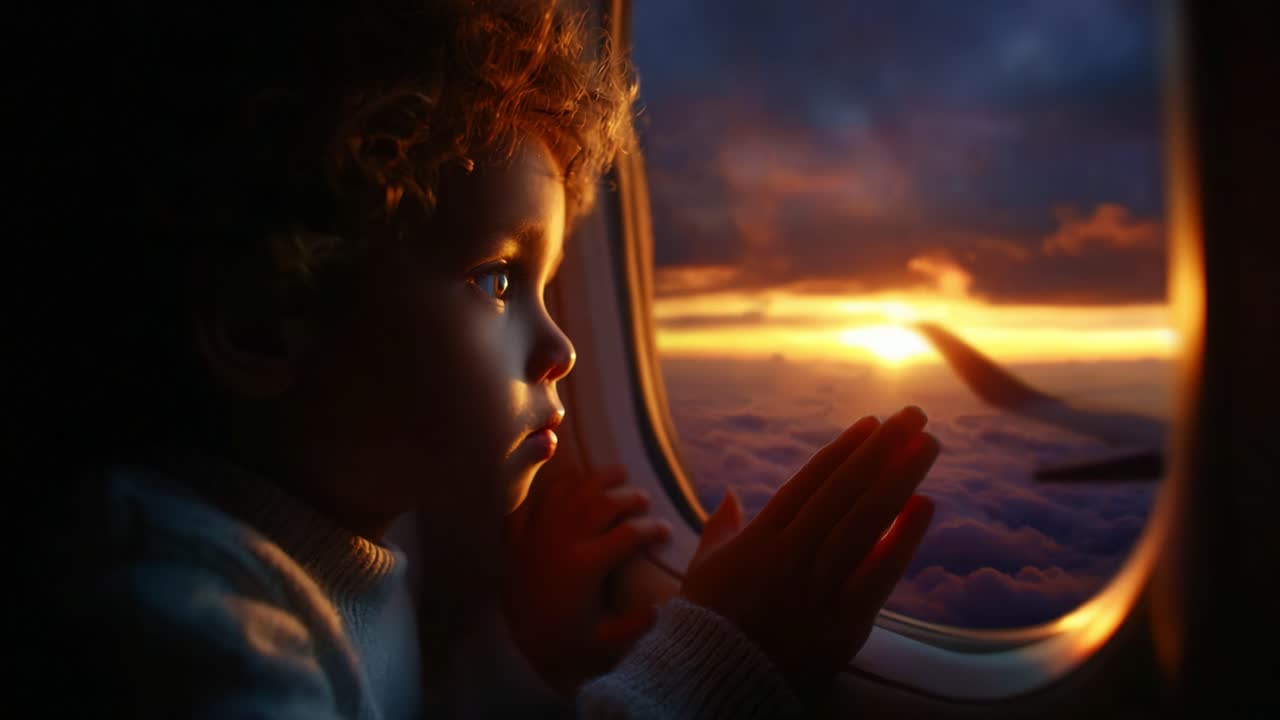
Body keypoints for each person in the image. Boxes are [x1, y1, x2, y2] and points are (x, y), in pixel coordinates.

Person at [24, 1, 939, 717]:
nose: (564, 346)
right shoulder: (180, 633)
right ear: (270, 322)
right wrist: (719, 670)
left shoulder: (368, 523)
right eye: (499, 282)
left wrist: (519, 654)